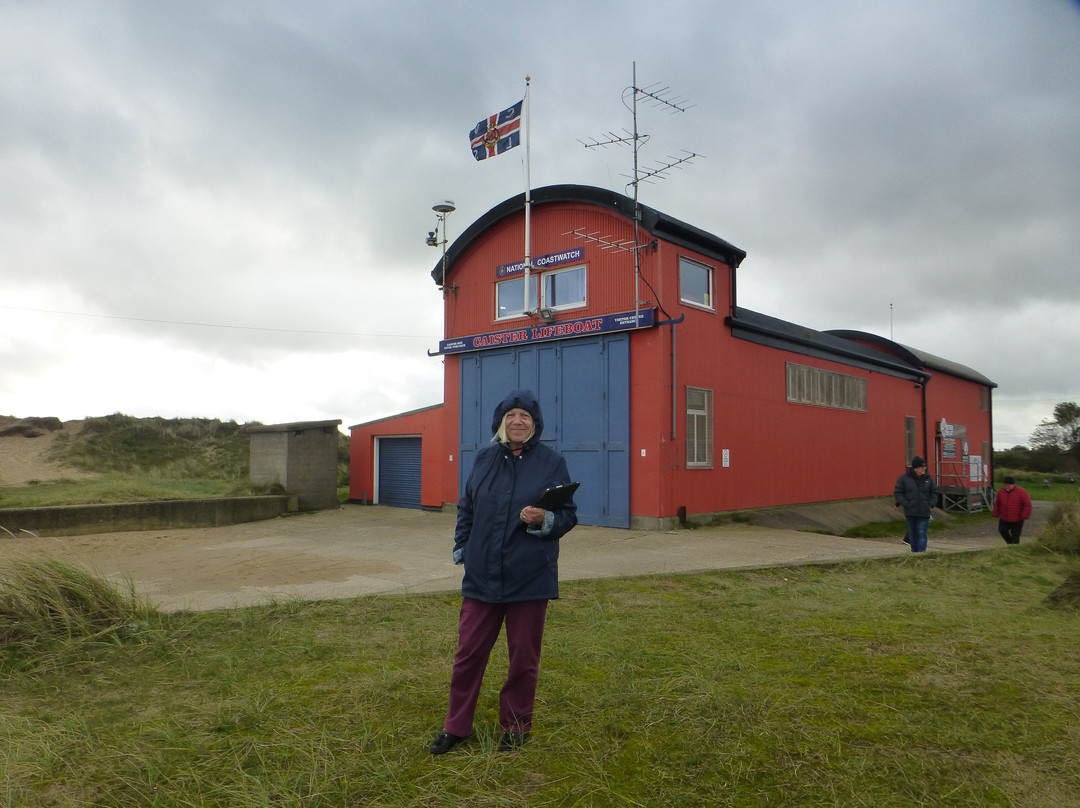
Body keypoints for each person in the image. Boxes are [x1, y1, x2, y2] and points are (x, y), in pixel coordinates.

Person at [429, 389, 578, 755]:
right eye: (510, 415)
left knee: (523, 659)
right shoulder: (482, 460)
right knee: (468, 654)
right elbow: (466, 508)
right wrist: (462, 546)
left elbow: (569, 514)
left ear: (534, 423)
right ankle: (456, 726)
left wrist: (547, 518)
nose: (517, 421)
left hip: (529, 576)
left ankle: (515, 726)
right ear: (500, 422)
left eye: (524, 416)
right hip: (481, 576)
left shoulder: (551, 462)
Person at [893, 456, 937, 553]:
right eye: (922, 467)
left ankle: (921, 554)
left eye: (925, 467)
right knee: (912, 535)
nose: (924, 469)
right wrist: (905, 503)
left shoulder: (928, 479)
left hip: (924, 511)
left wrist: (931, 504)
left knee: (921, 533)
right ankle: (914, 552)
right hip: (910, 512)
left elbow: (934, 492)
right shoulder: (904, 479)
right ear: (915, 468)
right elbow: (898, 493)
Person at [992, 476, 1032, 544]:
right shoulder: (1001, 492)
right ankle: (1010, 544)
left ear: (1013, 484)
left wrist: (1024, 515)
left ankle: (1014, 549)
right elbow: (997, 503)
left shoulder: (1021, 492)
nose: (1007, 486)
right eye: (1005, 485)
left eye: (1009, 485)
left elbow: (1027, 504)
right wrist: (995, 513)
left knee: (1015, 536)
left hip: (1017, 519)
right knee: (1002, 530)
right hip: (1004, 518)